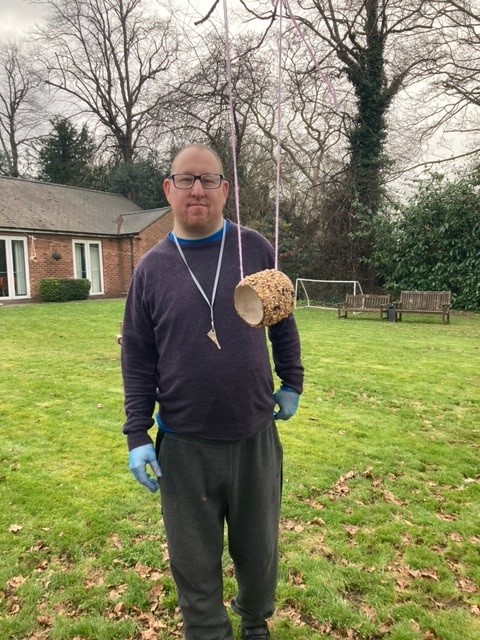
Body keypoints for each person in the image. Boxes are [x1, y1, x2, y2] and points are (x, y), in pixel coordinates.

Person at [121, 144, 303, 640]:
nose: (197, 189)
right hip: (184, 447)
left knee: (259, 551)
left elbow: (283, 319)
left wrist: (292, 380)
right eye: (186, 179)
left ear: (225, 190)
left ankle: (255, 623)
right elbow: (137, 356)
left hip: (253, 438)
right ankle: (207, 632)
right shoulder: (150, 270)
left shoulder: (253, 248)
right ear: (168, 189)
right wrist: (137, 433)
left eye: (208, 180)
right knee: (193, 562)